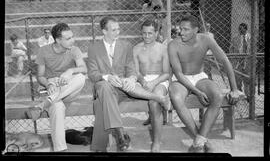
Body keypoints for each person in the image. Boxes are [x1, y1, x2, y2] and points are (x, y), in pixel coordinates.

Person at [87, 16, 170, 152]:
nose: (118, 32)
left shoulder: (126, 46)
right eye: (114, 30)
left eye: (118, 29)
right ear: (104, 31)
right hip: (104, 86)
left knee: (100, 104)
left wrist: (131, 79)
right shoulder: (94, 48)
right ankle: (120, 135)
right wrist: (107, 77)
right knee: (104, 87)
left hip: (123, 87)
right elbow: (92, 74)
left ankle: (102, 145)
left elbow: (131, 69)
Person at [168, 14, 243, 153]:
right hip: (181, 79)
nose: (181, 32)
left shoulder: (206, 39)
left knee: (218, 96)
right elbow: (178, 73)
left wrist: (234, 88)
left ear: (196, 30)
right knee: (176, 97)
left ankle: (198, 142)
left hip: (199, 76)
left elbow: (225, 60)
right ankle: (202, 140)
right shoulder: (173, 44)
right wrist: (197, 92)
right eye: (180, 29)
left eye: (185, 29)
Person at [26, 23, 87, 152]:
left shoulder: (74, 50)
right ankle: (61, 150)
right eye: (68, 38)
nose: (73, 40)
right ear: (58, 40)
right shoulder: (44, 51)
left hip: (69, 89)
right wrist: (48, 84)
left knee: (81, 77)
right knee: (57, 107)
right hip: (52, 87)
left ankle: (42, 105)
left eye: (72, 37)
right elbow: (40, 76)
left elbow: (83, 68)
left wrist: (70, 70)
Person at [133, 19, 170, 152]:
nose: (147, 36)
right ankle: (157, 110)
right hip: (143, 80)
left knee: (154, 103)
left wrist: (153, 83)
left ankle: (156, 142)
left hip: (160, 80)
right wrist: (143, 81)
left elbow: (166, 73)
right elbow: (136, 72)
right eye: (144, 33)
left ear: (156, 33)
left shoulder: (163, 49)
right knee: (131, 87)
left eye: (150, 33)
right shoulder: (136, 49)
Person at [229, 23, 251, 100]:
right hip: (238, 61)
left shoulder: (250, 38)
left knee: (247, 79)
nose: (240, 30)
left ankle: (248, 95)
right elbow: (231, 49)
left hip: (247, 61)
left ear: (246, 29)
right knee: (237, 78)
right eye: (239, 28)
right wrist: (232, 59)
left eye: (241, 29)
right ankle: (239, 93)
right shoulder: (235, 38)